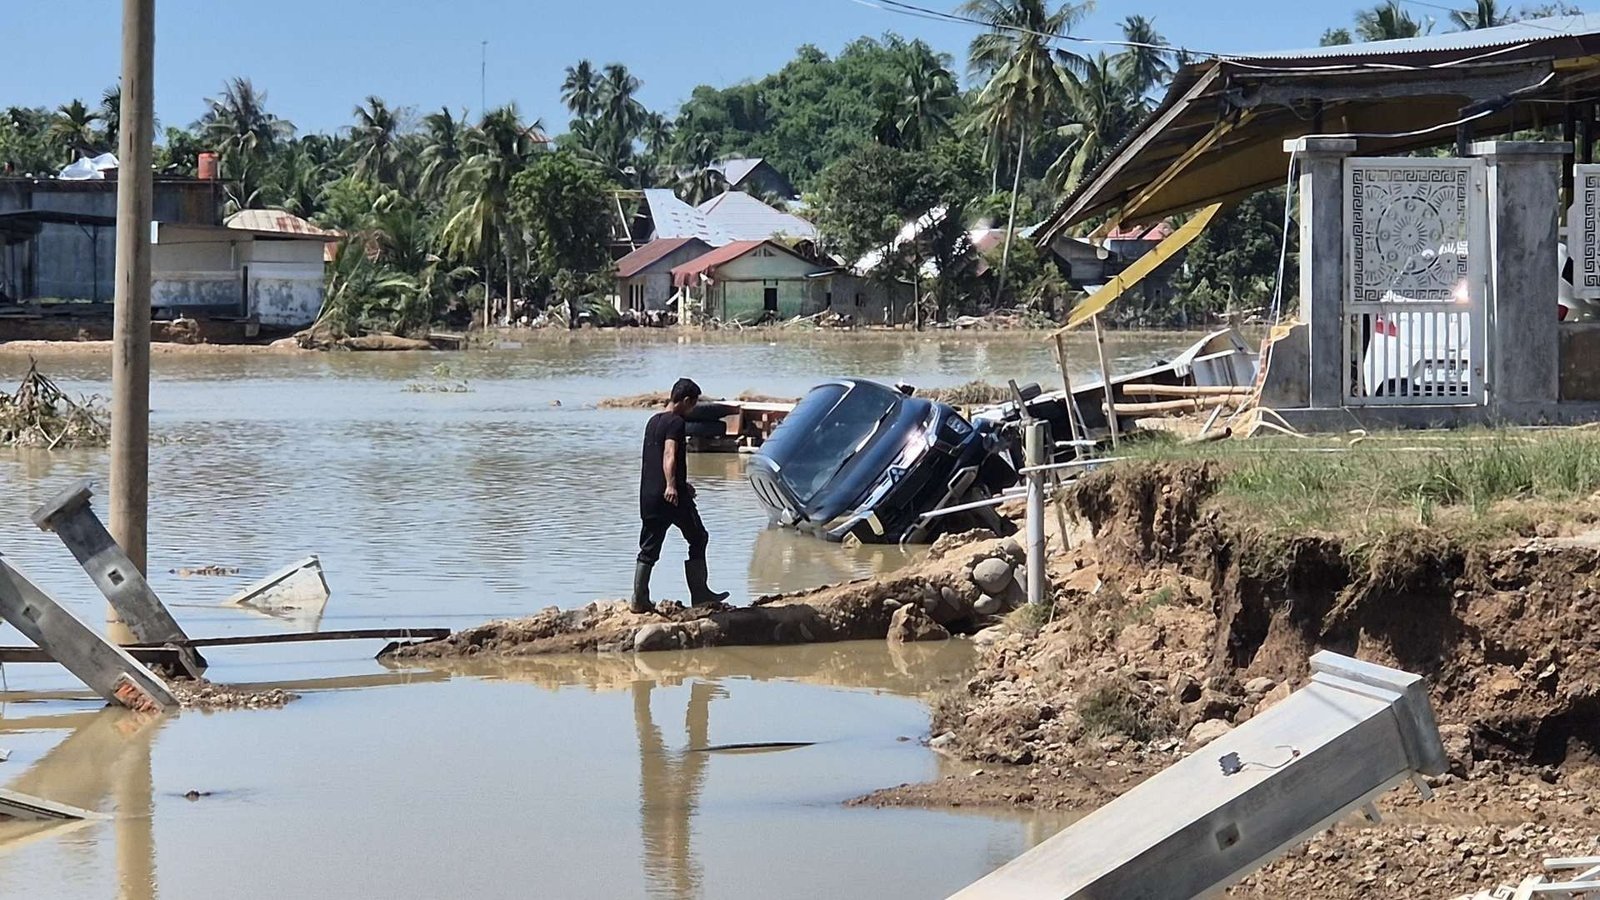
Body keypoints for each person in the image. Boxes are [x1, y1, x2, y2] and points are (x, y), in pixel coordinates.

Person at [634, 378, 729, 613]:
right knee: (698, 537)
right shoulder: (676, 422)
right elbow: (669, 454)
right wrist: (672, 486)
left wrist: (681, 483)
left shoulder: (652, 420)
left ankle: (639, 599)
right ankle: (700, 593)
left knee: (649, 547)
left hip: (648, 495)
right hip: (670, 497)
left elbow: (654, 460)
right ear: (686, 400)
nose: (693, 410)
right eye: (693, 405)